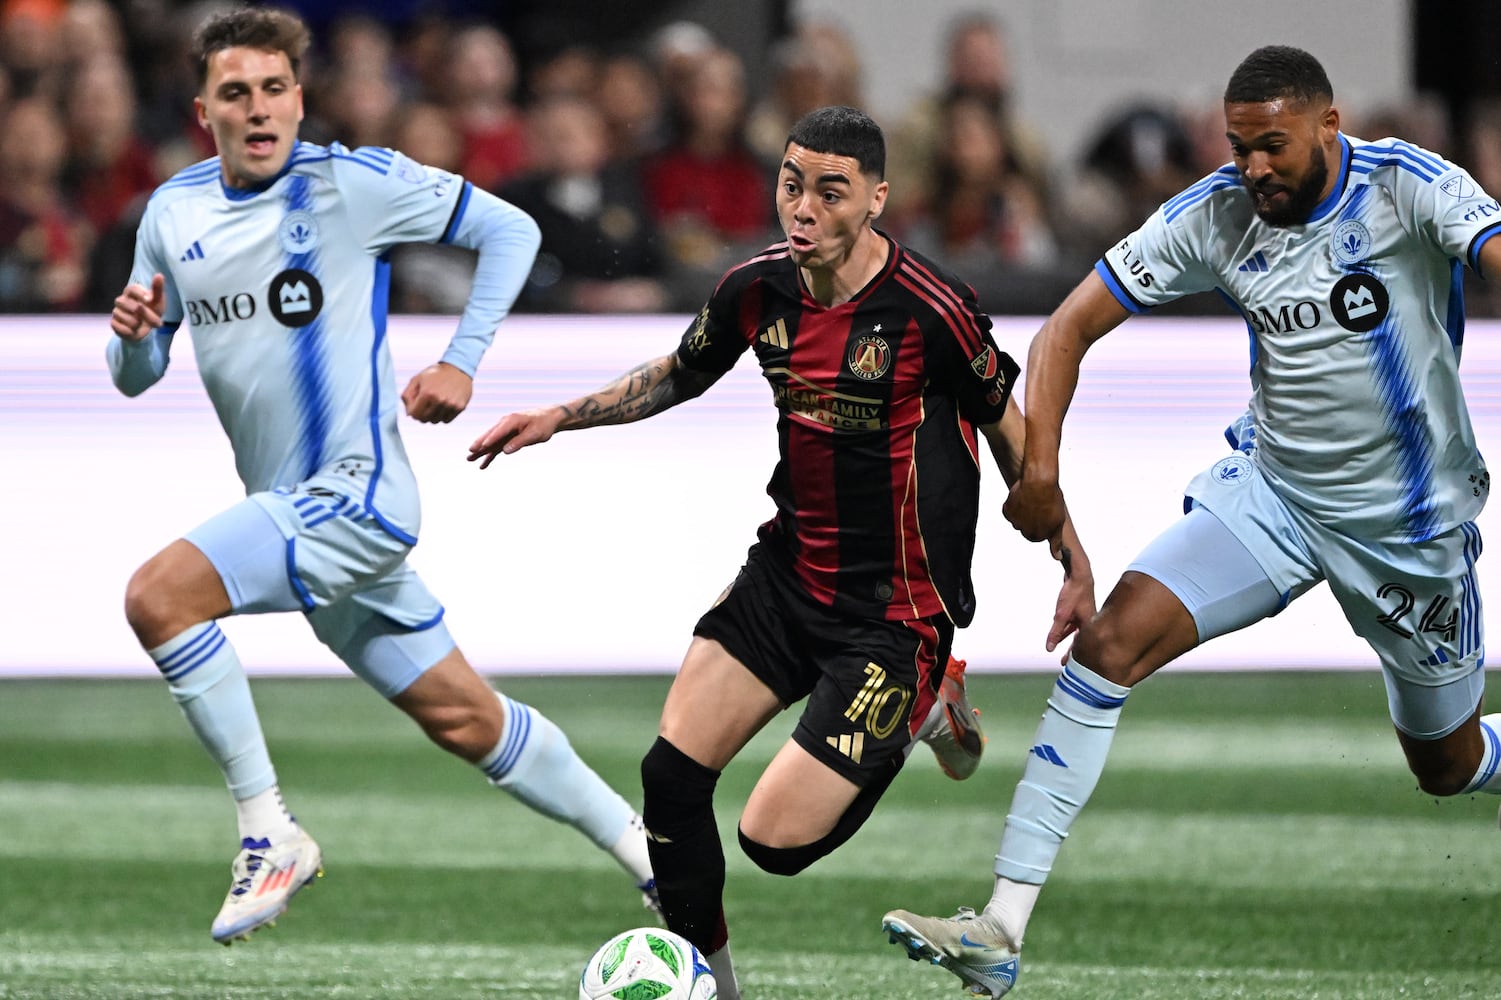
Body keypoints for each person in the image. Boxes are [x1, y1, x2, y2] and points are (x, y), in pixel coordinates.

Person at [882, 44, 1501, 999]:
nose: (1251, 167)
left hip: (1405, 529)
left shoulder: (1410, 188)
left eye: (1272, 147)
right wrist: (1039, 465)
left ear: (1329, 127)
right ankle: (1000, 926)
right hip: (1274, 495)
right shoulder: (1216, 213)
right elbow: (1065, 328)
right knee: (1106, 645)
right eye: (1238, 145)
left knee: (1447, 766)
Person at [468, 105, 1094, 1000]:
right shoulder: (756, 289)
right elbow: (681, 371)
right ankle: (714, 992)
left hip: (891, 614)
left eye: (828, 192)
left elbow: (1013, 435)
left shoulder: (930, 310)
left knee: (773, 843)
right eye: (791, 183)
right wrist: (563, 416)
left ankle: (922, 702)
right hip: (785, 575)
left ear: (876, 199)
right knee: (669, 780)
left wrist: (1070, 558)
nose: (800, 207)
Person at [106, 6, 656, 947]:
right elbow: (139, 374)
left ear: (299, 96)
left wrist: (462, 359)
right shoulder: (174, 212)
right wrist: (131, 340)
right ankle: (653, 856)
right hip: (293, 511)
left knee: (158, 598)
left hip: (354, 494)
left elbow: (511, 233)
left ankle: (267, 829)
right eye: (236, 92)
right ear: (204, 110)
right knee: (464, 716)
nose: (260, 108)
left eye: (275, 88)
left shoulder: (349, 184)